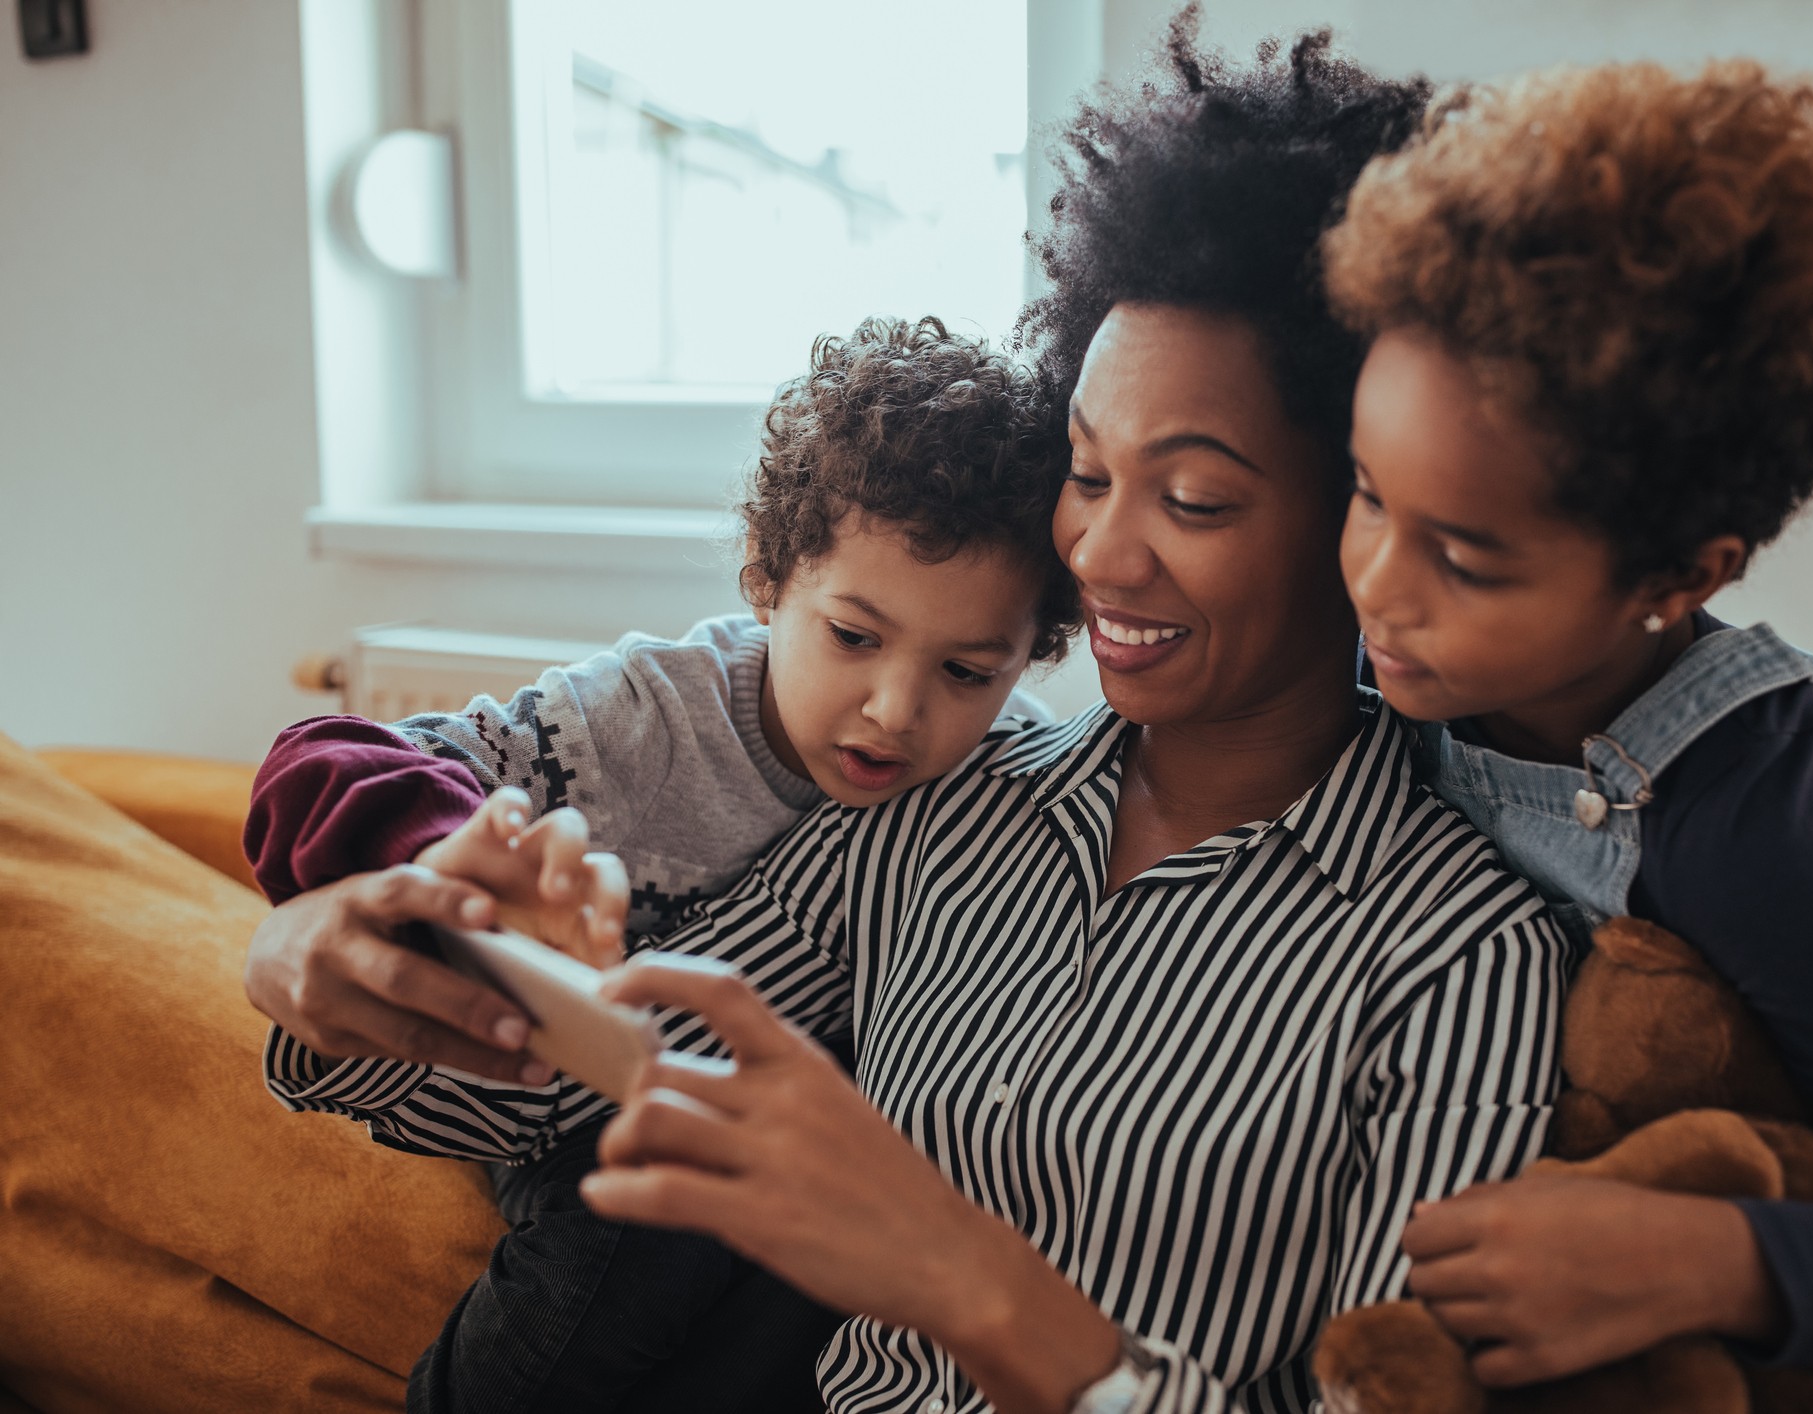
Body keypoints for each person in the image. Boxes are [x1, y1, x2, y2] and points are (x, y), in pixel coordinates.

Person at [249, 21, 1570, 1413]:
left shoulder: (1461, 954)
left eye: (1192, 499)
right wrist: (339, 973)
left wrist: (969, 1282)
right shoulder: (929, 814)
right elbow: (590, 1085)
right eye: (1086, 473)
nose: (1100, 555)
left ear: (1364, 512)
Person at [1321, 59, 1813, 1407]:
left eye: (1464, 557)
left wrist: (1707, 1258)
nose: (1375, 585)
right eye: (1363, 493)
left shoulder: (1762, 824)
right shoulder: (1401, 664)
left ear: (1677, 579)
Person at [244, 315, 1078, 1412]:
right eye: (855, 637)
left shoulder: (1009, 773)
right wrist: (440, 851)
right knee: (647, 1223)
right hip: (565, 1103)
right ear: (769, 581)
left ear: (1032, 655)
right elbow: (329, 757)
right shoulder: (639, 716)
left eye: (968, 668)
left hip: (786, 1122)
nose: (896, 709)